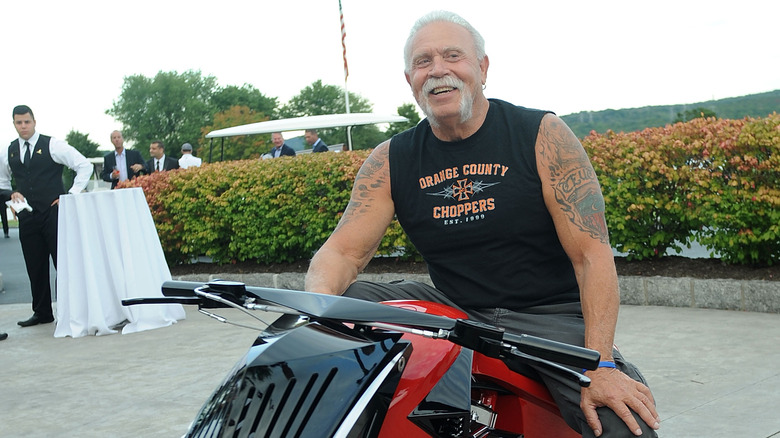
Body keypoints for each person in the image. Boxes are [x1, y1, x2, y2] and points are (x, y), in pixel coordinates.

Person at [305, 11, 660, 438]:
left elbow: (591, 255)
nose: (438, 70)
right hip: (456, 310)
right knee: (345, 300)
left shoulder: (541, 135)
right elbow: (344, 252)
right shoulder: (389, 160)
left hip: (548, 313)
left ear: (482, 68)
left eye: (452, 56)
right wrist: (318, 313)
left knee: (626, 429)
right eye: (423, 62)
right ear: (410, 80)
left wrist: (599, 362)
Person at [0, 105, 92, 327]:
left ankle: (72, 310)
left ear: (34, 121)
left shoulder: (52, 144)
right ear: (13, 123)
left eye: (27, 122)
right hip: (27, 217)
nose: (23, 126)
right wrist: (10, 196)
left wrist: (70, 195)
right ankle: (42, 312)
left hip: (55, 212)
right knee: (35, 264)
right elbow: (2, 181)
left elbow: (84, 166)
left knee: (64, 263)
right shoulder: (9, 151)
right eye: (18, 123)